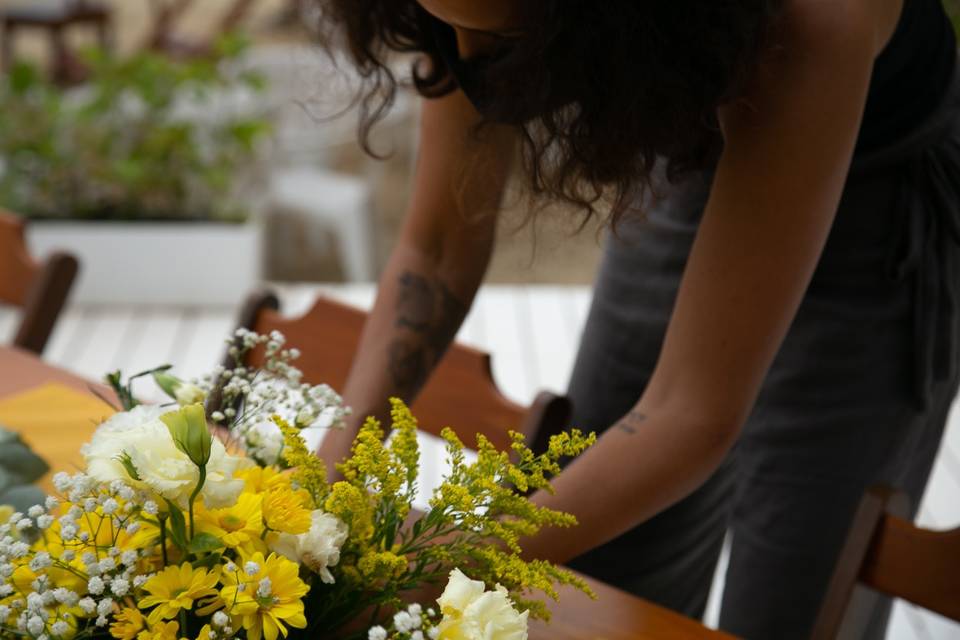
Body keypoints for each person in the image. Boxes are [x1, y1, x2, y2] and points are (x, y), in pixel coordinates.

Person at [309, 0, 960, 637]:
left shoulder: (814, 18)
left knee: (793, 595)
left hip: (881, 214)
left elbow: (689, 412)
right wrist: (327, 486)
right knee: (601, 571)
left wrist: (455, 563)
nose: (474, 69)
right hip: (689, 121)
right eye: (445, 26)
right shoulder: (494, 21)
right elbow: (439, 248)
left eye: (505, 40)